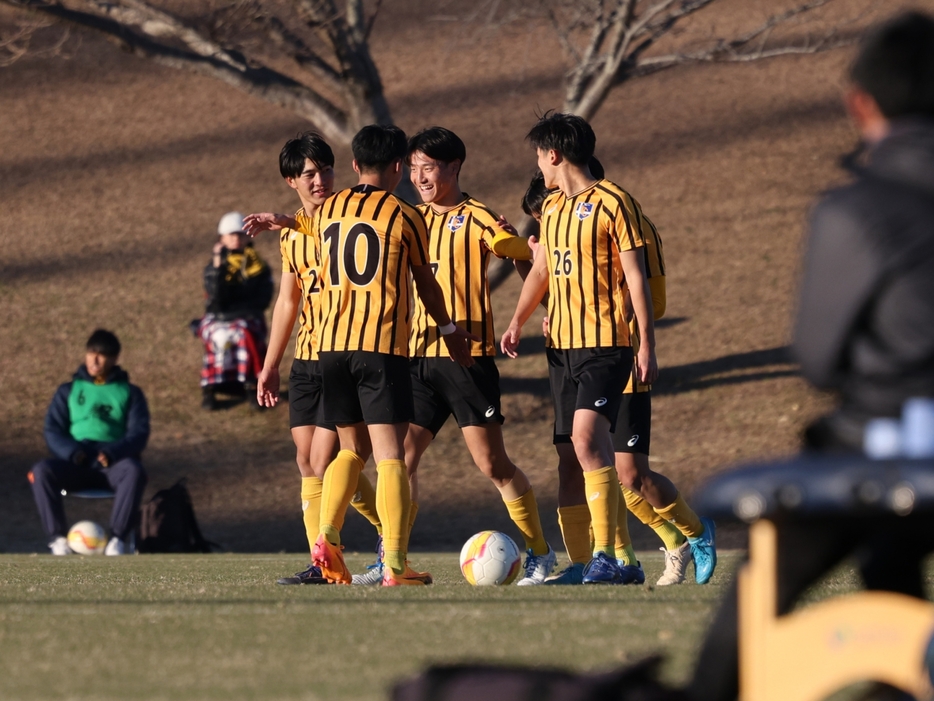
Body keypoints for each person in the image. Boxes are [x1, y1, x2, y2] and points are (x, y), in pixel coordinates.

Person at [690, 12, 934, 701]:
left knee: (763, 586)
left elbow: (819, 362)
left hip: (884, 443)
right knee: (893, 558)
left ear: (862, 102)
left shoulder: (857, 209)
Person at [359, 126, 555, 587]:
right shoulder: (407, 217)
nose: (420, 176)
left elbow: (511, 250)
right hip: (417, 356)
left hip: (469, 358)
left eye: (429, 167)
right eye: (414, 168)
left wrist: (525, 253)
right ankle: (392, 559)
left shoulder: (477, 215)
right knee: (400, 459)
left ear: (453, 168)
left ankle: (541, 554)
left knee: (492, 465)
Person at [519, 170, 716, 587]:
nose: (546, 223)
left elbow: (653, 299)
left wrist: (623, 330)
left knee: (630, 474)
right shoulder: (562, 219)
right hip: (577, 355)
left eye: (541, 216)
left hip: (615, 356)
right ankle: (620, 558)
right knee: (595, 464)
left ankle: (694, 533)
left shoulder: (630, 222)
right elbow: (556, 292)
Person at [310, 124, 476, 586]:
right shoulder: (405, 214)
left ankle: (327, 534)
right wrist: (449, 330)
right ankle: (397, 566)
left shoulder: (329, 210)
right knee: (390, 460)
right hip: (380, 347)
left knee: (349, 449)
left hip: (331, 346)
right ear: (399, 166)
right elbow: (425, 281)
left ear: (354, 165)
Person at [501, 112, 660, 584]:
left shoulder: (615, 202)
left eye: (539, 155)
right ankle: (608, 562)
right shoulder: (550, 210)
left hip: (606, 345)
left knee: (589, 442)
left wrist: (646, 343)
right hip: (561, 349)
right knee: (575, 450)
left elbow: (636, 278)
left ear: (554, 154)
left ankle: (610, 556)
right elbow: (542, 272)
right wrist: (516, 321)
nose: (539, 166)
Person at [242, 132, 383, 585]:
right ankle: (340, 553)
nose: (320, 179)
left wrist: (286, 219)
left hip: (343, 351)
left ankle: (356, 545)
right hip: (306, 358)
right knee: (306, 461)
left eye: (326, 170)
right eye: (309, 173)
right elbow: (288, 301)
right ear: (291, 180)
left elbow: (327, 227)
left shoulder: (350, 216)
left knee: (327, 458)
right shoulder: (291, 238)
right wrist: (269, 364)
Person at [28, 329, 149, 555]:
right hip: (77, 463)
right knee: (41, 471)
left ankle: (117, 541)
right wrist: (73, 453)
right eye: (91, 353)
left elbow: (139, 434)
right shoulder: (68, 391)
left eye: (101, 355)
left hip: (112, 466)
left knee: (134, 471)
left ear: (113, 359)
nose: (95, 360)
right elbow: (52, 429)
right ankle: (57, 541)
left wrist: (114, 453)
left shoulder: (131, 393)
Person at [196, 212, 273, 410]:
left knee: (245, 333)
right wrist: (217, 266)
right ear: (222, 238)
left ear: (248, 237)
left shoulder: (258, 266)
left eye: (240, 234)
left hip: (248, 316)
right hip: (218, 316)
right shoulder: (214, 266)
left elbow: (263, 298)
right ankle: (210, 389)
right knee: (217, 336)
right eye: (231, 235)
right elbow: (215, 296)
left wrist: (245, 308)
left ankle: (251, 385)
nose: (236, 239)